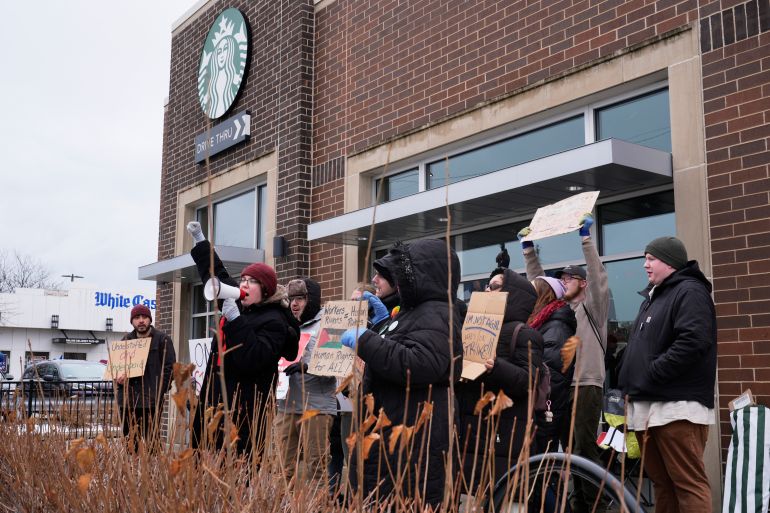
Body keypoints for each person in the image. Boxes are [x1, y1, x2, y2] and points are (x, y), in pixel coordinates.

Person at [341, 239, 463, 508]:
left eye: (397, 273)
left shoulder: (438, 313)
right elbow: (397, 349)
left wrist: (366, 341)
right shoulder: (415, 312)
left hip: (412, 440)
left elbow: (420, 363)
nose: (378, 280)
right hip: (391, 435)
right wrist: (381, 327)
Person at [618, 236, 716, 513]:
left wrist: (651, 373)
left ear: (671, 262)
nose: (645, 265)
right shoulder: (653, 297)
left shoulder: (690, 291)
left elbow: (693, 341)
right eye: (645, 258)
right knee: (662, 484)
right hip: (647, 406)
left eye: (652, 258)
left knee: (687, 484)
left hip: (676, 408)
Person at [186, 221, 300, 459]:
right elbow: (217, 273)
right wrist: (200, 240)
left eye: (252, 281)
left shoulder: (275, 321)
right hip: (215, 400)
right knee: (203, 462)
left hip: (243, 410)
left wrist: (235, 320)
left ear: (265, 289)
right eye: (244, 279)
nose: (244, 284)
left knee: (237, 467)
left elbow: (254, 357)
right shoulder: (237, 304)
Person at [519, 214, 609, 512]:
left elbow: (598, 277)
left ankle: (594, 506)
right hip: (557, 387)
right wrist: (529, 250)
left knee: (582, 449)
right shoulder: (554, 312)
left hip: (583, 384)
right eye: (562, 279)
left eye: (568, 278)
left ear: (582, 283)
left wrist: (586, 240)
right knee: (555, 450)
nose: (563, 281)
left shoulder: (592, 307)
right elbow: (539, 283)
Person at [456, 267, 543, 495]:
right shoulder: (472, 329)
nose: (486, 290)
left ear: (511, 295)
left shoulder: (524, 334)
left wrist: (497, 367)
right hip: (471, 428)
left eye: (494, 286)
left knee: (501, 494)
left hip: (504, 433)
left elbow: (528, 381)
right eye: (487, 285)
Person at [277, 278, 337, 487]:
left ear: (311, 300)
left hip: (317, 405)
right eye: (291, 298)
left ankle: (318, 507)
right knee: (282, 466)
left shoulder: (328, 324)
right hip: (286, 405)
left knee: (316, 465)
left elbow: (336, 365)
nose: (294, 304)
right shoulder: (285, 324)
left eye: (300, 298)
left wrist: (307, 366)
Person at [116, 304, 176, 452]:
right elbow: (117, 368)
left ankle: (151, 473)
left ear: (150, 319)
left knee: (152, 442)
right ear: (132, 321)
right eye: (137, 318)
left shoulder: (162, 339)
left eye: (144, 317)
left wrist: (159, 391)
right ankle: (131, 472)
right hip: (128, 400)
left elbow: (170, 369)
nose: (141, 321)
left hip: (151, 401)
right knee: (130, 442)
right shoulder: (125, 341)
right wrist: (118, 379)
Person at [528, 276, 576, 454]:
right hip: (543, 408)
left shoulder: (557, 327)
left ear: (542, 295)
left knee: (543, 465)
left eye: (532, 291)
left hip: (546, 411)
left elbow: (552, 374)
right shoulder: (544, 322)